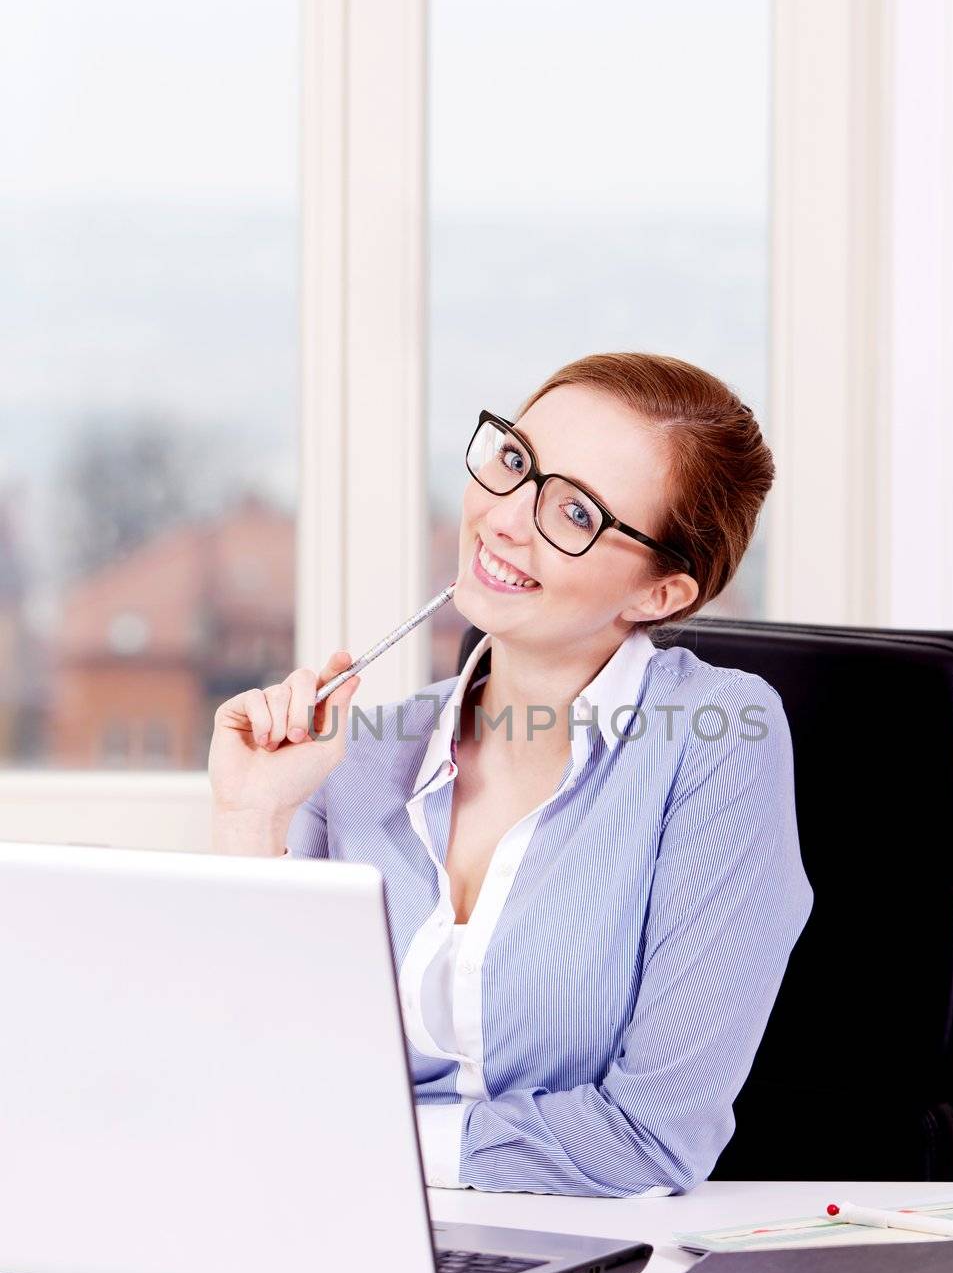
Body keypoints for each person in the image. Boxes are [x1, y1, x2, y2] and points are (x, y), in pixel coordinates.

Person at [208, 352, 814, 1197]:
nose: (505, 520)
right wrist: (250, 821)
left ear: (660, 594)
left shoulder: (715, 738)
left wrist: (358, 1145)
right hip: (342, 1223)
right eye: (515, 462)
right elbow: (247, 1074)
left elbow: (651, 1139)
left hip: (600, 1263)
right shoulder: (362, 750)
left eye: (573, 510)